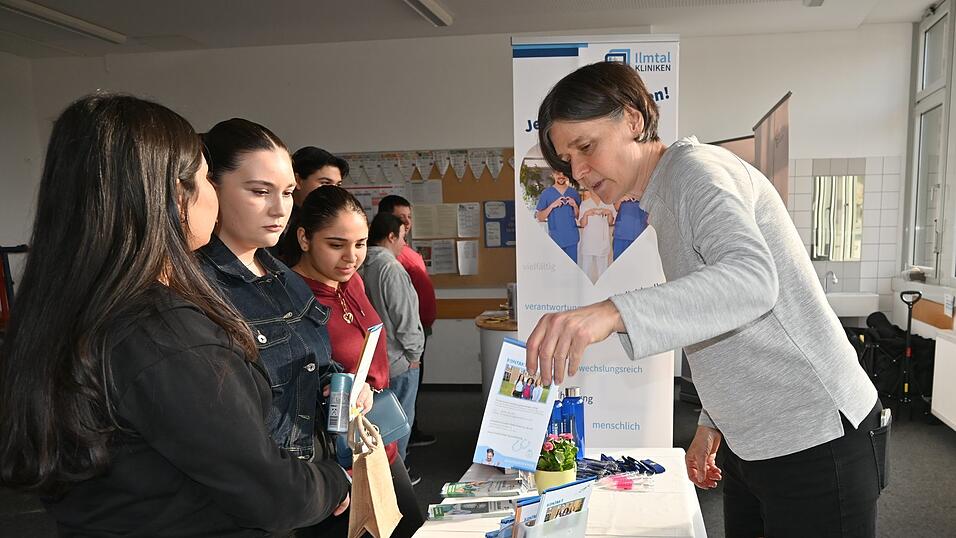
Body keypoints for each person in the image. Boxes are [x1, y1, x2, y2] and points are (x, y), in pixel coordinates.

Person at [526, 62, 882, 538]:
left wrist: (612, 312)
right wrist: (711, 422)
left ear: (633, 119)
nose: (580, 171)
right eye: (569, 160)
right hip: (753, 439)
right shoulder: (665, 194)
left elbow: (752, 281)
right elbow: (719, 317)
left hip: (814, 435)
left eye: (586, 147)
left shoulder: (695, 171)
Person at [0, 94, 350, 535]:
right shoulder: (164, 333)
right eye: (206, 179)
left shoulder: (64, 306)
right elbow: (271, 491)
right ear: (169, 196)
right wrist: (336, 482)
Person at [197, 119, 373, 534]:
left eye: (289, 193)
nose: (279, 208)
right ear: (210, 187)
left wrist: (343, 384)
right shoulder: (198, 287)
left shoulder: (282, 274)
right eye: (260, 192)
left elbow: (310, 361)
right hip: (266, 494)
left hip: (317, 470)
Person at [290, 185, 425, 536]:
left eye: (361, 244)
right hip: (338, 459)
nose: (351, 256)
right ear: (304, 238)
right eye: (336, 245)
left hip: (378, 443)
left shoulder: (352, 283)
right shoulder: (290, 299)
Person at [359, 212, 425, 462]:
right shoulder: (391, 268)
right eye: (403, 238)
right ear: (390, 236)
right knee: (400, 423)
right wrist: (415, 355)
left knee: (380, 425)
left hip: (375, 361)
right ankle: (399, 476)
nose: (404, 245)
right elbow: (405, 318)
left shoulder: (362, 265)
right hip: (400, 359)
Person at [378, 195, 438, 448]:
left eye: (409, 217)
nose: (407, 223)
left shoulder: (402, 253)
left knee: (410, 399)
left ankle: (409, 437)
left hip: (413, 336)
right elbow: (401, 312)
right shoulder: (391, 263)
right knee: (401, 403)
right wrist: (414, 352)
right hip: (404, 345)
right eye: (401, 219)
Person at [273, 146, 349, 265]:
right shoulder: (277, 215)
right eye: (325, 183)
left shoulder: (333, 217)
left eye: (337, 185)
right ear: (297, 180)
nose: (333, 191)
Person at [535, 170, 581, 263]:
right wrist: (552, 205)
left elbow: (577, 216)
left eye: (563, 173)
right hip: (555, 238)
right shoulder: (546, 193)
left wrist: (574, 205)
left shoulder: (573, 193)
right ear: (553, 174)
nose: (561, 176)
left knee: (571, 269)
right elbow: (540, 217)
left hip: (571, 238)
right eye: (558, 173)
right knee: (557, 269)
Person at [577, 188, 616, 281]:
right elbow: (582, 224)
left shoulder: (608, 203)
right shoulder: (585, 204)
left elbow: (611, 222)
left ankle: (602, 291)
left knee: (603, 270)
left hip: (602, 241)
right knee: (586, 269)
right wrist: (586, 214)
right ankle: (586, 290)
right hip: (588, 241)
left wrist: (609, 213)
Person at [612, 195, 648, 260]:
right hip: (622, 234)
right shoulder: (620, 189)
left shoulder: (644, 190)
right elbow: (616, 208)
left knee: (639, 262)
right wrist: (621, 198)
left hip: (640, 232)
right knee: (619, 262)